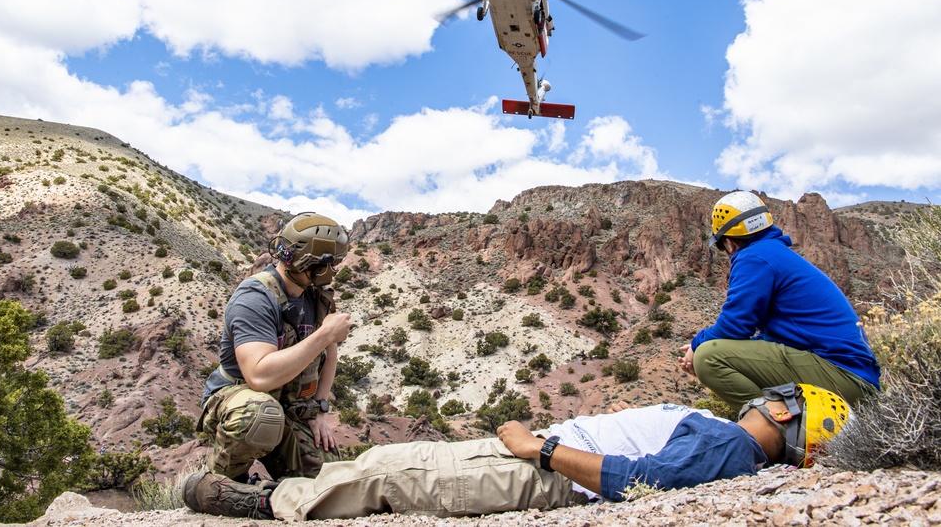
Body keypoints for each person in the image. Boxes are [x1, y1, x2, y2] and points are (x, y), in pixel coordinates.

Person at [182, 383, 850, 521]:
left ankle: (263, 504)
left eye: (775, 397)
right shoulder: (725, 438)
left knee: (397, 476)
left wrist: (540, 449)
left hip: (543, 474)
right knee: (404, 462)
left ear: (785, 413)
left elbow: (642, 481)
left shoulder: (732, 444)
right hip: (541, 459)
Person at [679, 190, 880, 410]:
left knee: (709, 358)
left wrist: (698, 345)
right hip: (854, 378)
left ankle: (777, 435)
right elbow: (772, 342)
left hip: (844, 378)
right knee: (713, 352)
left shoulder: (754, 257)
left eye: (720, 246)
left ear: (729, 243)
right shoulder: (774, 253)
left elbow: (735, 325)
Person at [195, 212, 352, 484]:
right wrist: (325, 333)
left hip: (287, 405)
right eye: (331, 264)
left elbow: (329, 356)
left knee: (330, 482)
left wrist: (318, 411)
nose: (332, 272)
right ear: (314, 264)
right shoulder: (255, 298)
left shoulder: (316, 298)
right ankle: (218, 483)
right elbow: (259, 376)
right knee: (261, 415)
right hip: (241, 400)